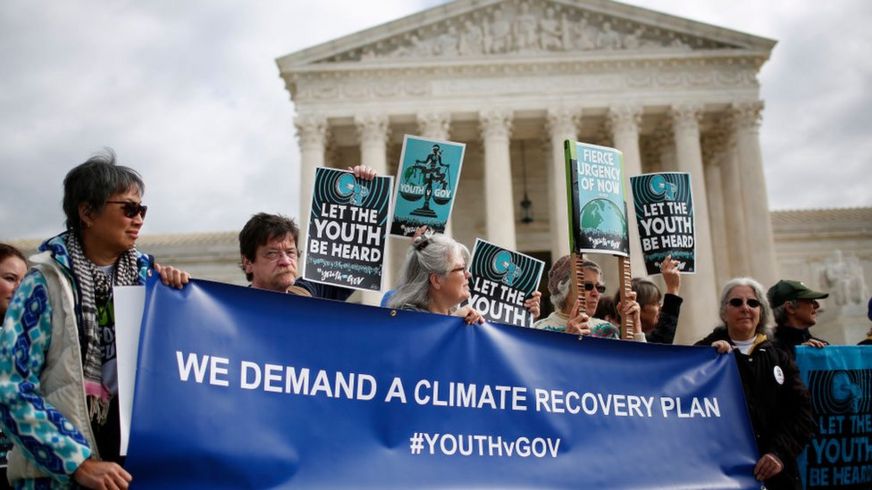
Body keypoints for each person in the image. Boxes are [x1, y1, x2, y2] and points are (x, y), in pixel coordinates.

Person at [0, 150, 189, 489]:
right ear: (87, 212)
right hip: (57, 480)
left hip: (134, 469)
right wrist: (78, 463)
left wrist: (182, 296)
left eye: (142, 209)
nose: (139, 219)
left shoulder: (150, 280)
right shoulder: (44, 283)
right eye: (129, 209)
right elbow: (10, 388)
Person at [696, 278, 815, 490]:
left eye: (752, 303)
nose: (745, 308)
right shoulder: (705, 353)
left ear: (761, 311)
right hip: (721, 476)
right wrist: (707, 359)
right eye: (736, 303)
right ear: (724, 312)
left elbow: (802, 414)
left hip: (777, 477)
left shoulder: (780, 357)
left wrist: (778, 454)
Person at [239, 166, 376, 300]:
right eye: (272, 253)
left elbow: (351, 262)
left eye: (291, 252)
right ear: (248, 263)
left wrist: (358, 182)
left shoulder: (307, 294)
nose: (286, 261)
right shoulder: (234, 311)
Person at [534, 255, 643, 341]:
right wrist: (568, 342)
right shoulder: (539, 330)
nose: (595, 293)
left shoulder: (607, 330)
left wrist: (636, 329)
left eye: (599, 287)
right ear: (563, 290)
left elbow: (633, 366)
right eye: (587, 286)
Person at [387, 232, 483, 323]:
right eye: (461, 268)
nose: (468, 274)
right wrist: (452, 324)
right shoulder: (403, 321)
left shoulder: (462, 317)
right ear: (436, 280)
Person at [0, 244, 27, 490]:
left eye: (24, 281)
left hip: (19, 471)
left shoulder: (32, 341)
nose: (20, 289)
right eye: (10, 279)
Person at [767, 279, 830, 359]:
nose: (817, 305)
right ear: (790, 308)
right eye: (811, 300)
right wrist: (798, 355)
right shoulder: (770, 351)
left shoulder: (823, 347)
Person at [631, 255, 683, 344]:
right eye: (655, 303)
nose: (661, 307)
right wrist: (672, 289)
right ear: (637, 307)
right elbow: (659, 345)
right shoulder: (619, 337)